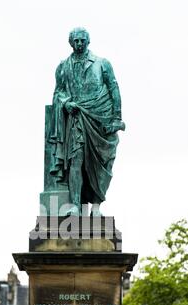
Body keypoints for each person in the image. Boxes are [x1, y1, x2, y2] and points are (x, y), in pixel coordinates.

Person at [49, 27, 125, 216]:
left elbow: (114, 88)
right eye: (76, 41)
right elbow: (58, 92)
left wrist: (116, 117)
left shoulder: (102, 64)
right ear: (71, 43)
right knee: (76, 160)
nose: (79, 44)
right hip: (77, 118)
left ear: (88, 41)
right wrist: (66, 103)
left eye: (82, 40)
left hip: (101, 119)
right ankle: (75, 205)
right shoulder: (63, 66)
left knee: (102, 163)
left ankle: (97, 206)